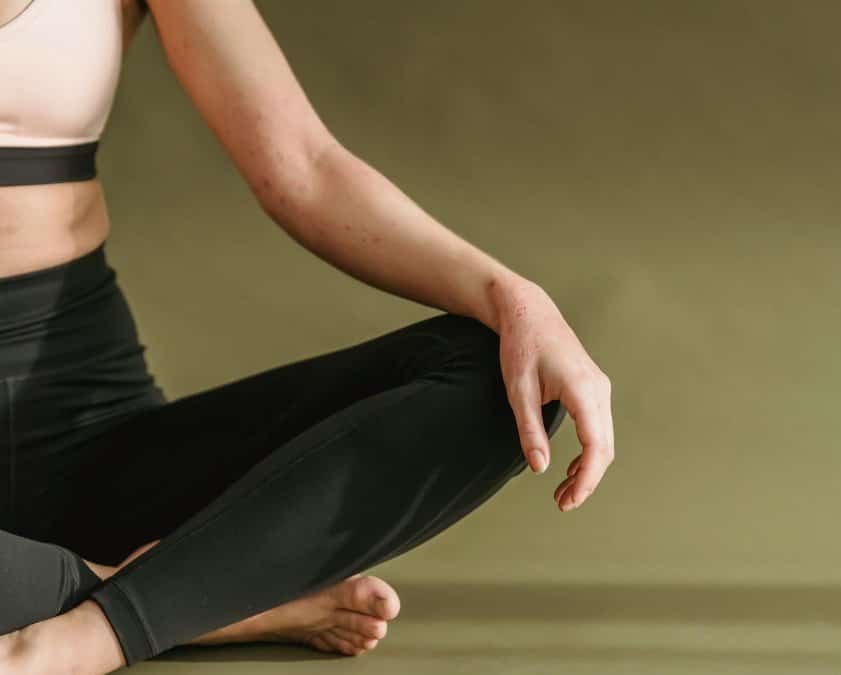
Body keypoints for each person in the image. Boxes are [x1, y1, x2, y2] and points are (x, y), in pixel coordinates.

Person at [0, 0, 615, 671]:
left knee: (505, 377)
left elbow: (303, 166)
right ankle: (196, 596)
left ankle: (91, 632)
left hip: (86, 423)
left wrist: (515, 300)